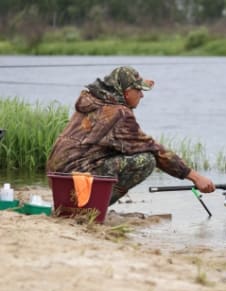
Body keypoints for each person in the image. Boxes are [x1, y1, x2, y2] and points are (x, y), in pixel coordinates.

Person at [47, 66, 215, 205]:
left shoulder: (94, 101)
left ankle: (86, 201)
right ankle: (92, 206)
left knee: (124, 151)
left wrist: (142, 83)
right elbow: (154, 149)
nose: (142, 95)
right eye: (139, 91)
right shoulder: (119, 114)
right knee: (147, 160)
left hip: (57, 179)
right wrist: (195, 177)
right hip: (74, 181)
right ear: (127, 92)